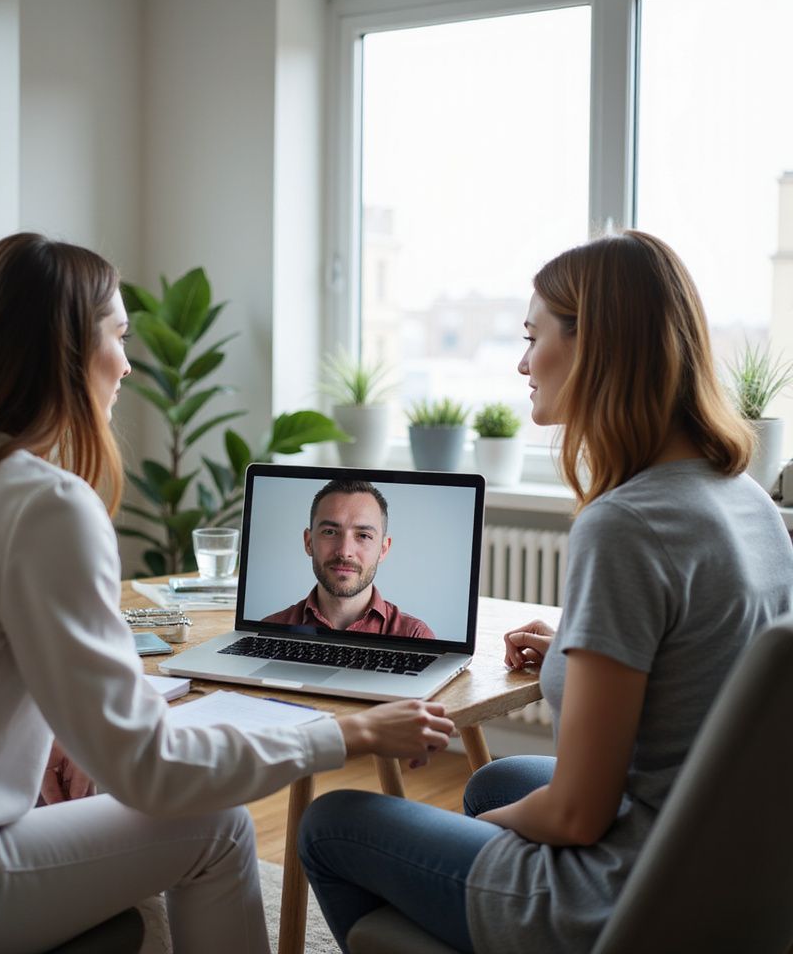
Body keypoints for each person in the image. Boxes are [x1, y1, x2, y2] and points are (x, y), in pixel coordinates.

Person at [0, 233, 456, 954]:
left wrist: (62, 729)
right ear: (65, 350)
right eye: (119, 335)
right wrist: (348, 732)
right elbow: (153, 772)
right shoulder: (41, 504)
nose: (127, 364)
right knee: (217, 828)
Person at [298, 230, 793, 954]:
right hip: (719, 858)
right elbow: (710, 662)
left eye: (534, 337)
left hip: (619, 894)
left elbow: (574, 819)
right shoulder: (746, 499)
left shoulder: (624, 525)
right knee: (495, 781)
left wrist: (466, 841)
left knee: (333, 822)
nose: (524, 363)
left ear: (597, 345)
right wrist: (576, 649)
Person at [261, 478, 435, 639]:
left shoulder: (415, 636)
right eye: (330, 532)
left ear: (383, 549)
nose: (344, 551)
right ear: (309, 543)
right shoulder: (269, 631)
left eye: (363, 535)